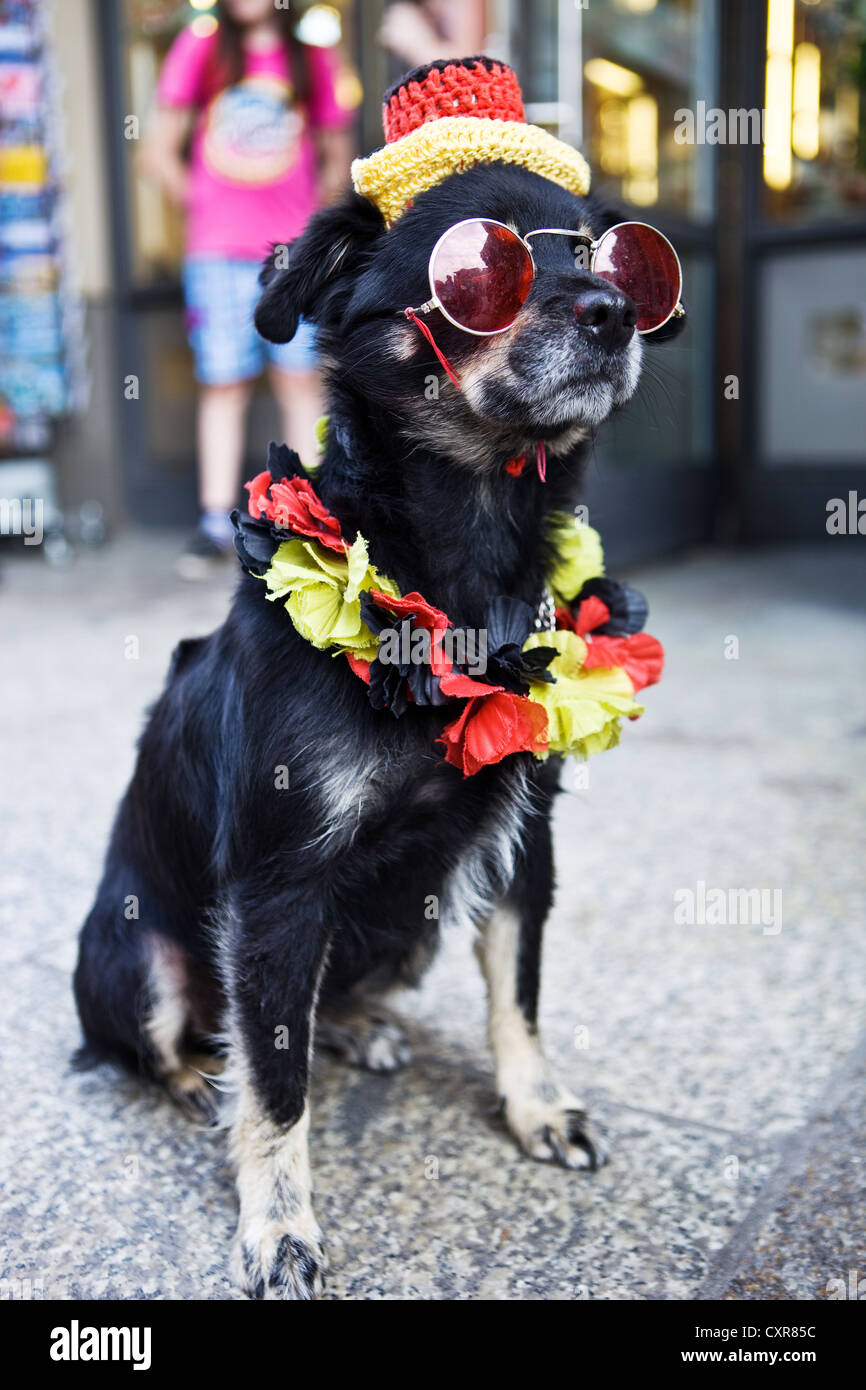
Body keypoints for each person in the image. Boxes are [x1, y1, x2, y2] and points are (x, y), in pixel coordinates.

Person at [139, 0, 355, 578]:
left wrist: (314, 224)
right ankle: (215, 526)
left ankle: (313, 526)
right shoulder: (201, 48)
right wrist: (203, 206)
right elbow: (156, 149)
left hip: (290, 255)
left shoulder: (312, 57)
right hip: (216, 255)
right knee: (223, 383)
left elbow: (338, 153)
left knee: (299, 380)